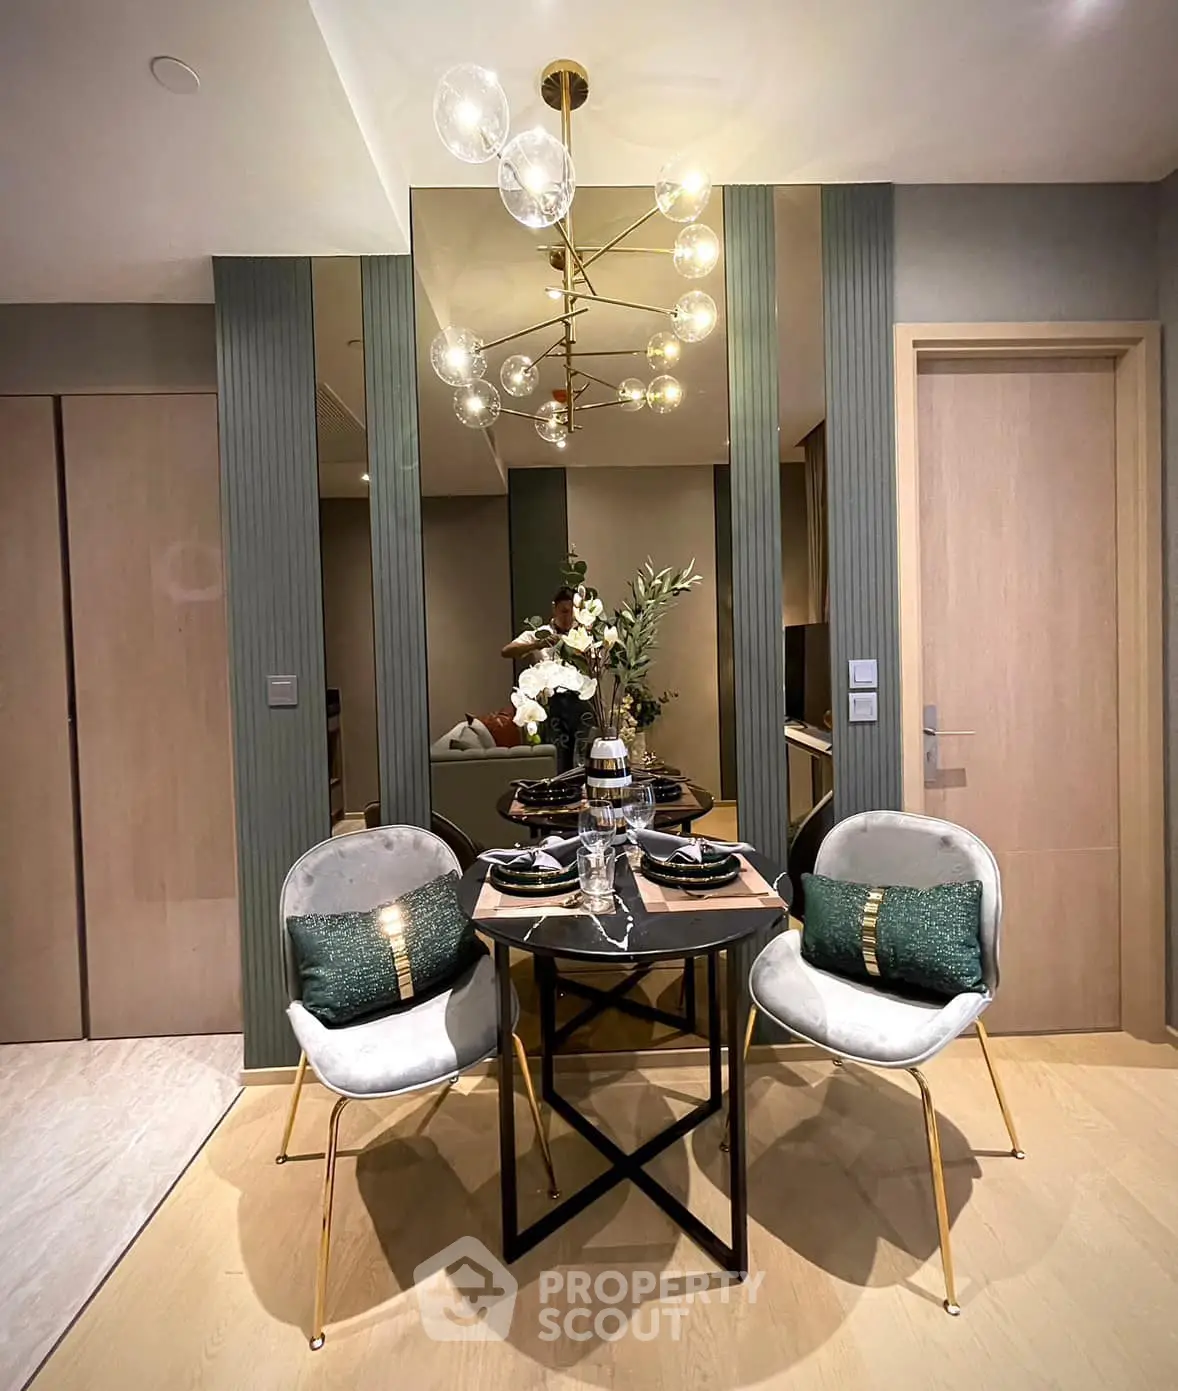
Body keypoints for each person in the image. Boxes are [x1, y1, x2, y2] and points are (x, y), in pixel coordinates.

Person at [502, 586, 588, 772]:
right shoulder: (539, 633)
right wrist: (537, 644)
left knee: (580, 758)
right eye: (564, 611)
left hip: (578, 704)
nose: (568, 617)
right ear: (554, 608)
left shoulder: (581, 635)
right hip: (550, 706)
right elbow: (506, 651)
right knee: (556, 759)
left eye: (572, 613)